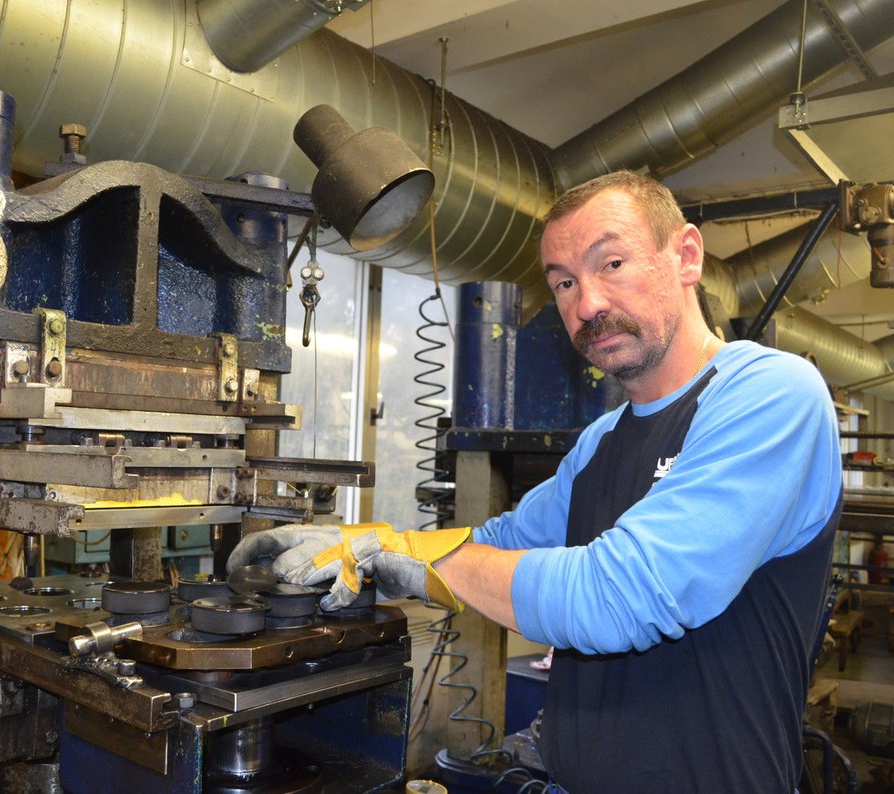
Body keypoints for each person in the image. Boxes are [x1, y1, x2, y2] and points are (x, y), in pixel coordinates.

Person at [229, 171, 842, 792]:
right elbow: (502, 541)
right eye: (565, 282)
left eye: (613, 263)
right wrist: (363, 545)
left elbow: (619, 595)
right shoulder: (600, 444)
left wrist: (407, 555)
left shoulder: (769, 394)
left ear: (685, 256)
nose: (589, 303)